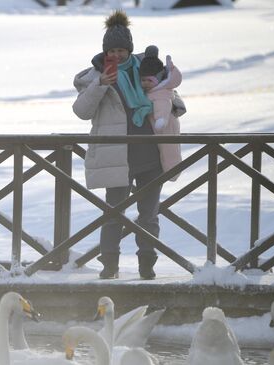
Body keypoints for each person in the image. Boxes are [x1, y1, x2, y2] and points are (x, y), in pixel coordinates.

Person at [72, 10, 183, 280]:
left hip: (150, 155)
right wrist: (100, 84)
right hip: (117, 156)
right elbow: (81, 111)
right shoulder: (93, 77)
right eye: (113, 50)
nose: (118, 55)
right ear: (105, 51)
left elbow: (175, 102)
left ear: (130, 49)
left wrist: (164, 98)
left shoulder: (147, 69)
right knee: (113, 213)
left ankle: (147, 265)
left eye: (122, 50)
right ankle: (109, 266)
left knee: (149, 215)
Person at [140, 45, 184, 180]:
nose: (146, 83)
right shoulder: (154, 90)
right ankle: (172, 171)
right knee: (167, 148)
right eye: (143, 80)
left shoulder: (161, 92)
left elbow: (163, 105)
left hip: (165, 125)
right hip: (162, 124)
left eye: (150, 80)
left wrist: (161, 120)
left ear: (158, 79)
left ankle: (173, 173)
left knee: (168, 149)